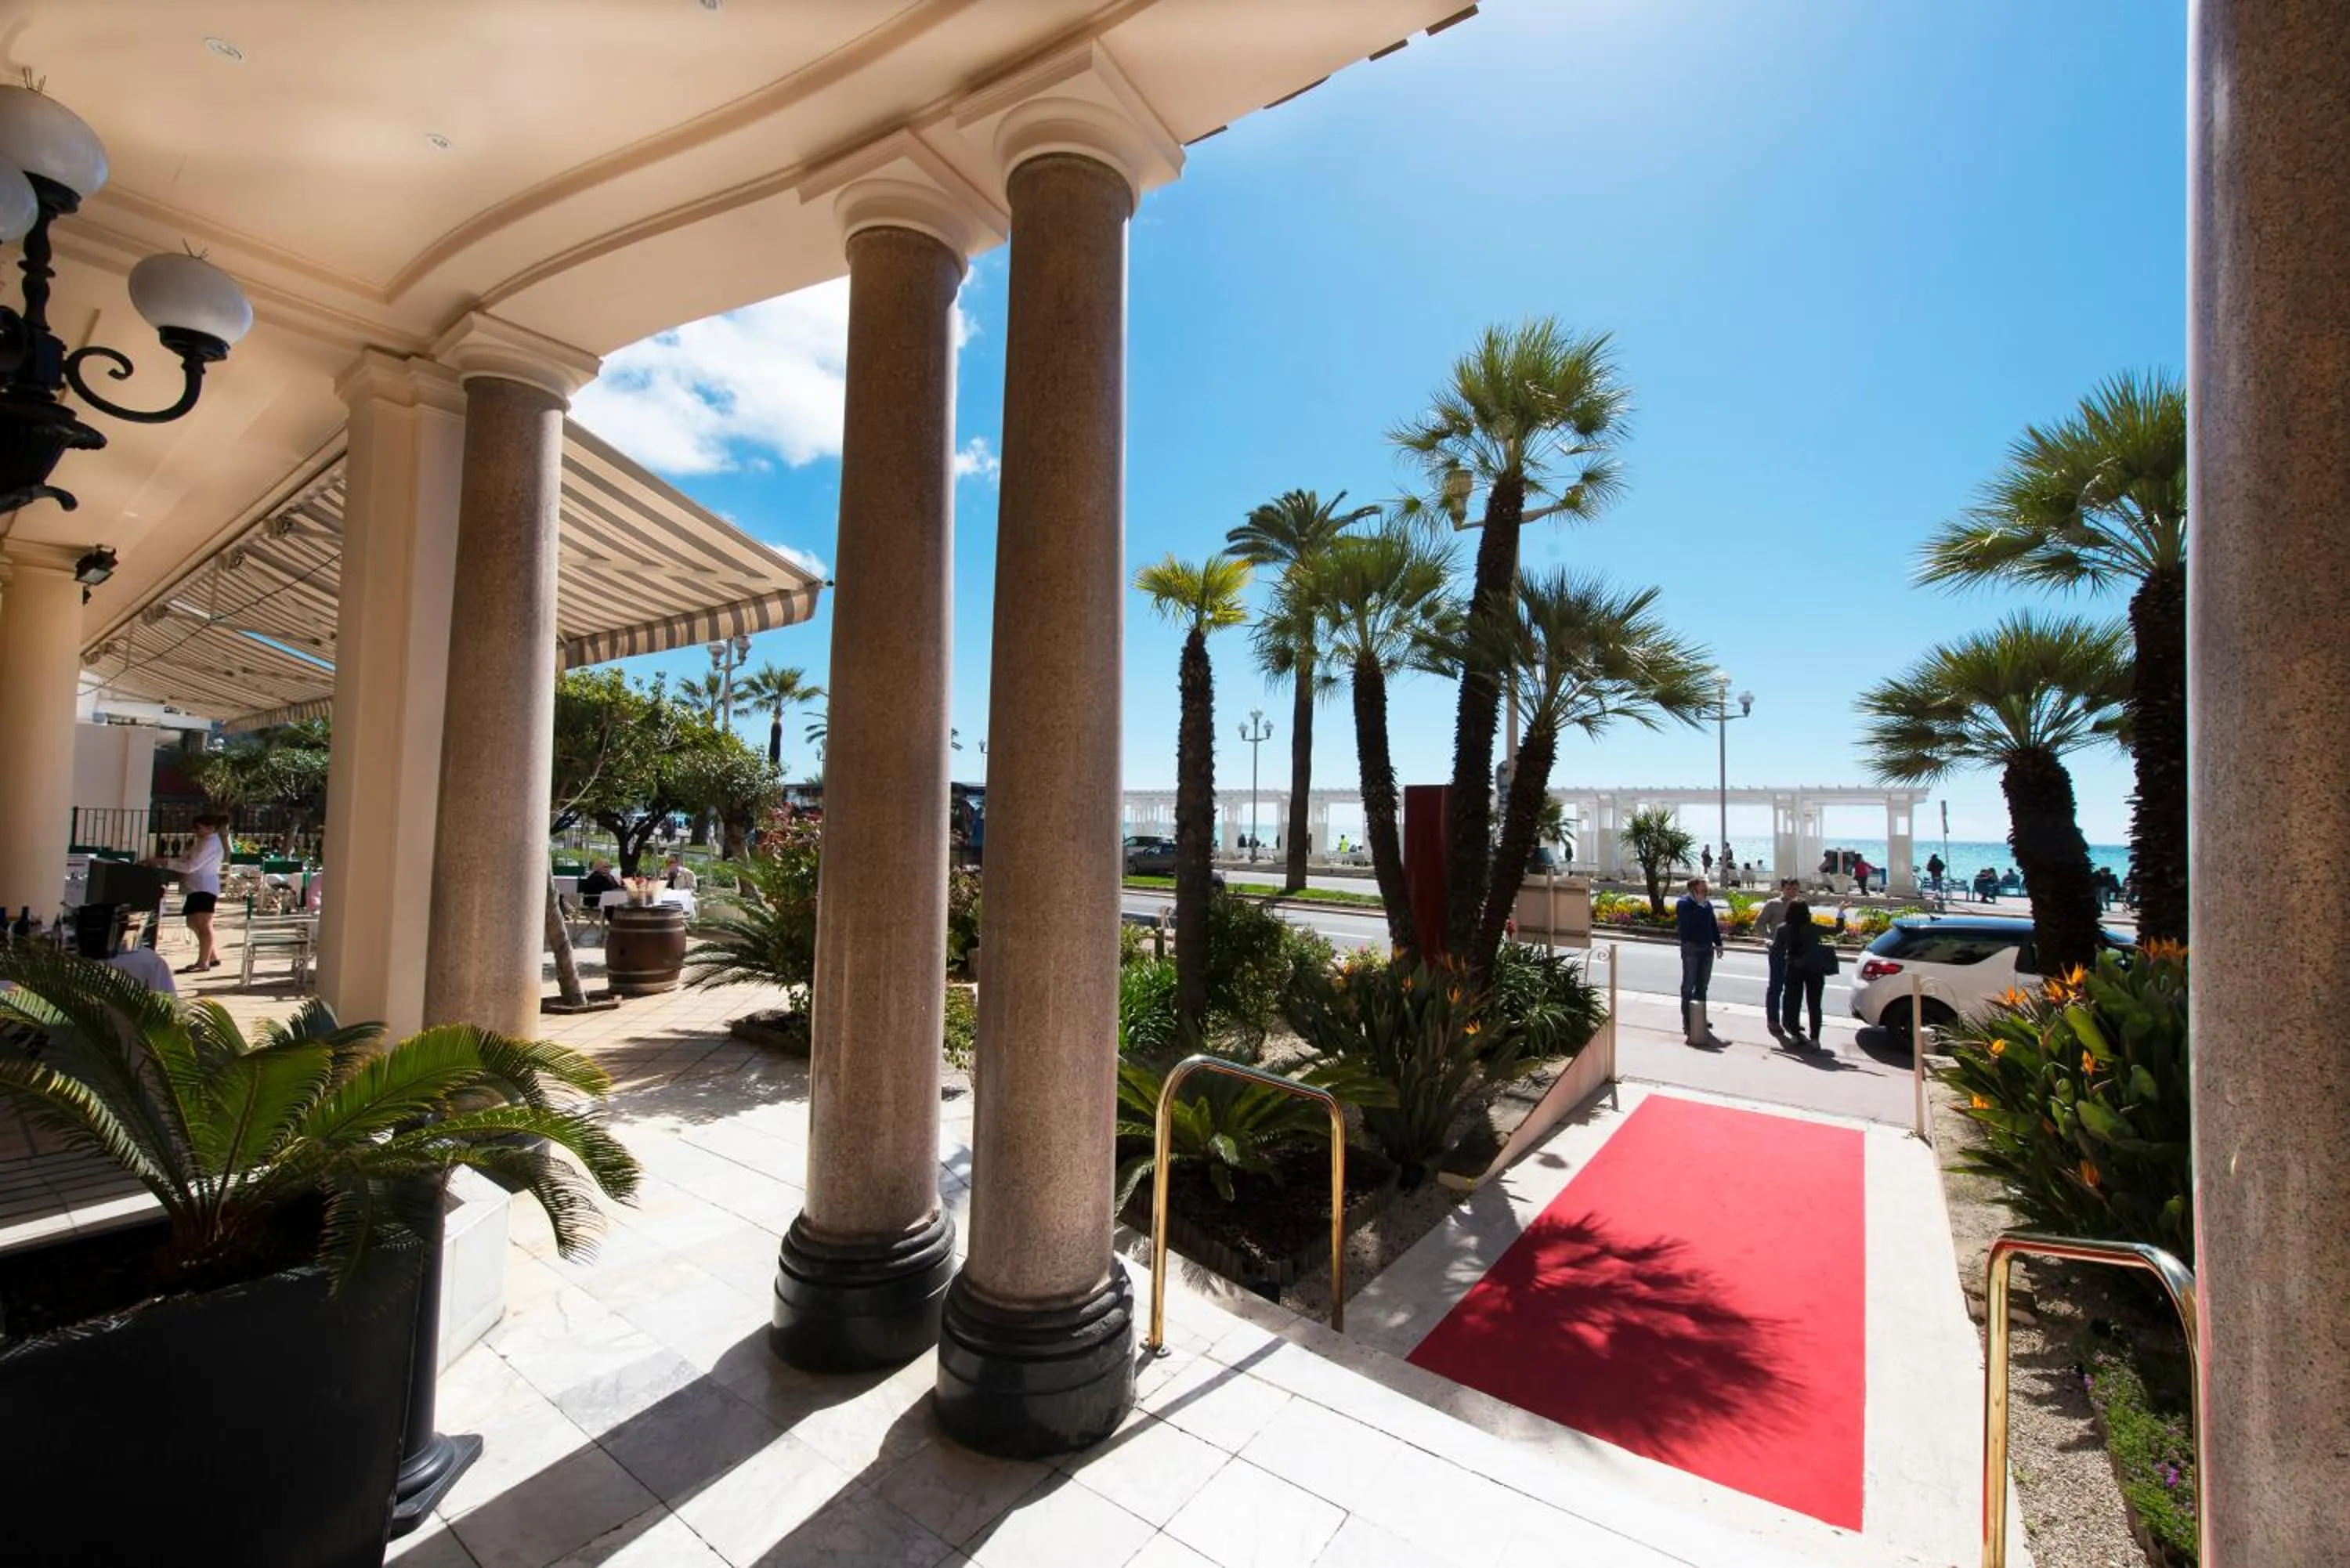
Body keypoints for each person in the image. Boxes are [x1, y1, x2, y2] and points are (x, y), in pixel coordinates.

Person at [154, 815, 226, 974]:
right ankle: (211, 955)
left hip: (203, 888)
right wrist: (163, 860)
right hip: (194, 888)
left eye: (198, 827)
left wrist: (166, 863)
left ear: (210, 828)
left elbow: (191, 866)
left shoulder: (211, 844)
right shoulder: (203, 843)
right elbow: (185, 858)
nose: (195, 831)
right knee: (192, 922)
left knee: (204, 924)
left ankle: (203, 962)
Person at [1773, 898, 1836, 1046]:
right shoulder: (1813, 927)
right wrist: (1840, 913)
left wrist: (1769, 944)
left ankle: (1795, 1035)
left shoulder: (1783, 928)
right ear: (1806, 912)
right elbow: (1837, 929)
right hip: (1814, 969)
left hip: (1793, 969)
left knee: (1793, 1003)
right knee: (1814, 1005)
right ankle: (1815, 1038)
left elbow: (1777, 948)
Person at [1675, 876, 1725, 1042]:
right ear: (1693, 889)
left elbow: (1712, 924)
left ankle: (1700, 1017)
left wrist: (1718, 943)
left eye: (1706, 889)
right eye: (1702, 888)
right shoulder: (1684, 904)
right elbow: (1690, 923)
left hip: (1707, 947)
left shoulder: (1706, 904)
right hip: (1691, 947)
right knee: (1689, 985)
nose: (1705, 891)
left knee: (1703, 985)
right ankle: (1688, 1021)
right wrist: (1700, 905)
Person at [1753, 876, 1800, 1036]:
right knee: (1776, 986)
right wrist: (1768, 940)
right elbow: (1759, 923)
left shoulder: (1800, 905)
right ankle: (1773, 1020)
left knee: (1793, 989)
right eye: (1788, 889)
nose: (1792, 892)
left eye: (1795, 889)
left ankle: (1790, 1021)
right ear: (1782, 889)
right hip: (1778, 951)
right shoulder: (1773, 904)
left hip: (1796, 952)